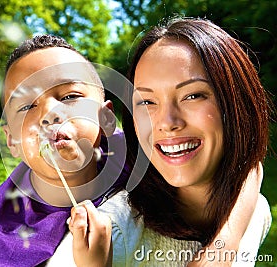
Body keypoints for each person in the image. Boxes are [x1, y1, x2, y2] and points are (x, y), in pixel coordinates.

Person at [69, 17, 272, 266]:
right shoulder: (114, 233)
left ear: (238, 104)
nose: (167, 122)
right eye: (147, 102)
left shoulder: (257, 210)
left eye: (193, 95)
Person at [0, 35, 129, 266]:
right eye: (26, 106)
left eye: (70, 96)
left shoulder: (141, 156)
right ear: (12, 141)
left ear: (106, 118)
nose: (49, 114)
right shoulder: (2, 238)